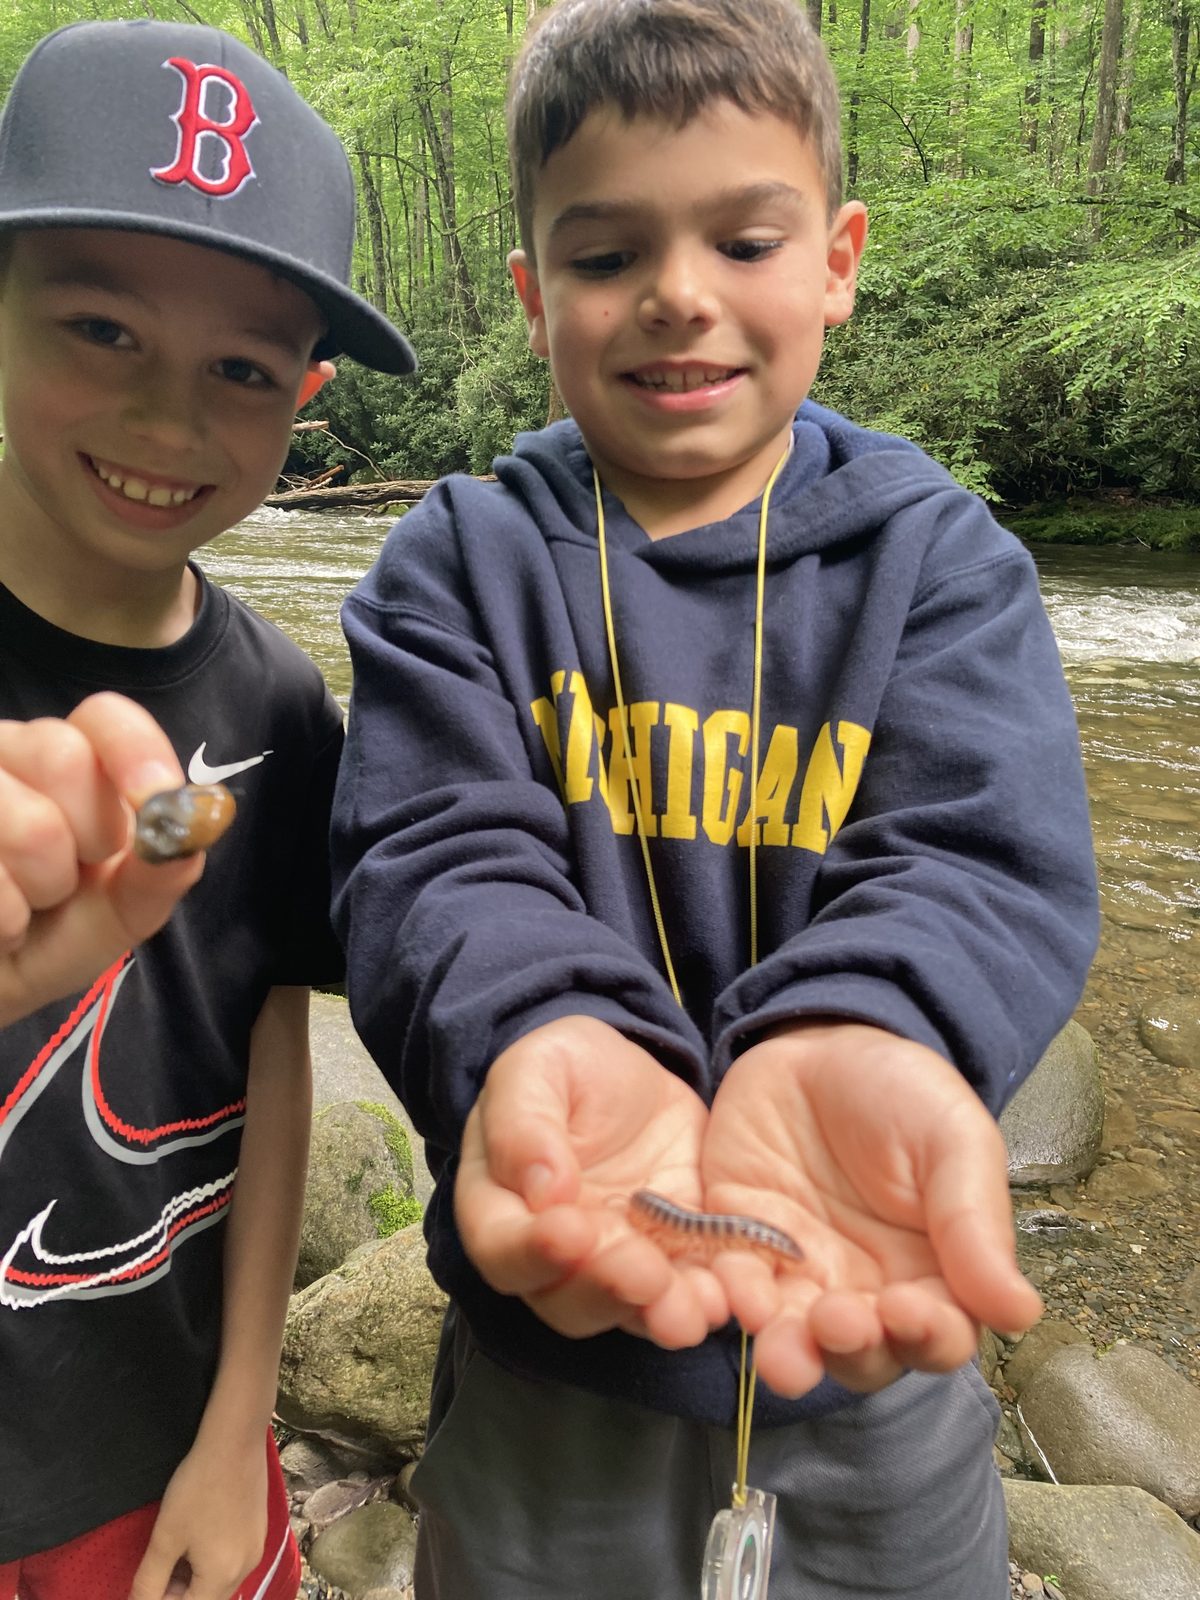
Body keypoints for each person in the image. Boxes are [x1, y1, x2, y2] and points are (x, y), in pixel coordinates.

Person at [329, 0, 1099, 1595]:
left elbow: (980, 861)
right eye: (609, 254)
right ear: (534, 295)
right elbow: (429, 857)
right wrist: (540, 1036)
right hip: (549, 1360)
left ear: (838, 260)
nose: (680, 293)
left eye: (744, 241)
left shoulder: (945, 562)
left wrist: (874, 1033)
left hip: (867, 1354)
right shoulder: (455, 567)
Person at [0, 20, 414, 1600]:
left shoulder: (279, 720)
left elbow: (267, 1054)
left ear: (306, 393)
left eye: (239, 369)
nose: (168, 422)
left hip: (151, 1445)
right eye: (101, 328)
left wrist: (243, 1422)